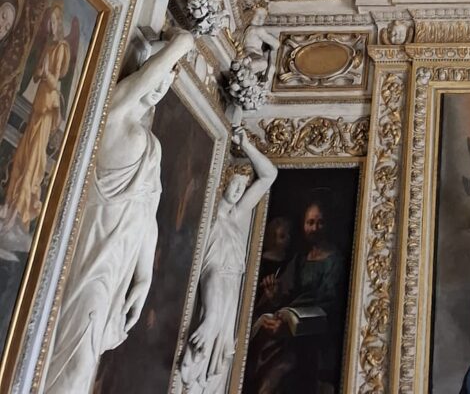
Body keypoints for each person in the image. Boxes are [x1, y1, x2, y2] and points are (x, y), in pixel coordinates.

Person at [46, 28, 196, 393]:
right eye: (161, 74)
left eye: (169, 81)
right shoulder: (113, 115)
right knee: (75, 352)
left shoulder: (153, 146)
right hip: (92, 249)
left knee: (89, 350)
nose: (162, 86)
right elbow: (143, 82)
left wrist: (143, 278)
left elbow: (149, 215)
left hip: (121, 262)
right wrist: (182, 45)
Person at [180, 128, 278, 393]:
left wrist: (247, 146)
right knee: (210, 318)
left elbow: (269, 175)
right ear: (223, 183)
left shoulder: (238, 215)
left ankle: (199, 381)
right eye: (234, 185)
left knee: (220, 348)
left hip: (232, 280)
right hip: (214, 272)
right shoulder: (210, 215)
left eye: (242, 187)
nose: (238, 191)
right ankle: (194, 365)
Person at [244, 199, 345, 393]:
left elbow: (329, 306)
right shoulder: (299, 259)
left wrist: (291, 326)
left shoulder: (335, 261)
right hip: (288, 330)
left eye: (320, 222)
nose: (315, 227)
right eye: (310, 222)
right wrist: (274, 297)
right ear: (303, 225)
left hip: (315, 336)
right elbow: (287, 296)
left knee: (281, 371)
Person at [2, 1, 70, 234]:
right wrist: (39, 70)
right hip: (37, 108)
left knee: (32, 162)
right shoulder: (49, 46)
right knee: (22, 155)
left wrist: (47, 72)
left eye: (53, 22)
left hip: (47, 110)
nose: (51, 26)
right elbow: (37, 76)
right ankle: (9, 205)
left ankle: (17, 215)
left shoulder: (60, 47)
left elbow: (55, 81)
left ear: (59, 23)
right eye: (49, 22)